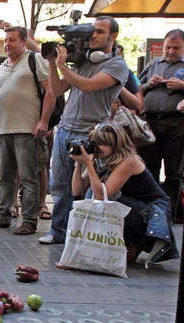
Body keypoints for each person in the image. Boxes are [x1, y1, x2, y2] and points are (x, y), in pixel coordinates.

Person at [40, 16, 130, 245]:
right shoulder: (82, 62)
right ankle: (58, 232)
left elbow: (89, 86)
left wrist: (63, 66)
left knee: (89, 189)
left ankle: (88, 237)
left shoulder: (117, 65)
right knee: (60, 187)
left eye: (100, 31)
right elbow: (58, 88)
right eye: (92, 32)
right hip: (65, 130)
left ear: (113, 36)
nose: (94, 36)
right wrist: (52, 64)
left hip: (93, 134)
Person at [68, 120, 179, 267]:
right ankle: (131, 243)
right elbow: (77, 190)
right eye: (95, 143)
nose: (97, 148)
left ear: (117, 144)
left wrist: (88, 165)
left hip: (152, 215)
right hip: (134, 208)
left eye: (103, 144)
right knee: (90, 191)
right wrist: (80, 163)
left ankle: (140, 240)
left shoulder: (128, 160)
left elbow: (103, 195)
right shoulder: (100, 159)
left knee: (100, 194)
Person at [0, 26, 54, 235]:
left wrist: (44, 120)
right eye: (6, 40)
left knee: (29, 177)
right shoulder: (1, 67)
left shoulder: (34, 59)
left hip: (27, 128)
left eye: (12, 40)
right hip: (3, 129)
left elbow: (51, 91)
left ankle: (29, 220)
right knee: (5, 176)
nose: (7, 44)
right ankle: (3, 216)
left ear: (24, 42)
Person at [137, 29, 184, 211]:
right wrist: (148, 84)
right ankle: (149, 208)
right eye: (168, 47)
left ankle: (168, 210)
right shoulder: (153, 64)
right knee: (148, 166)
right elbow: (135, 90)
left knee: (174, 170)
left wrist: (183, 86)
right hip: (150, 122)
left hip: (177, 123)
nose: (171, 51)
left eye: (176, 48)